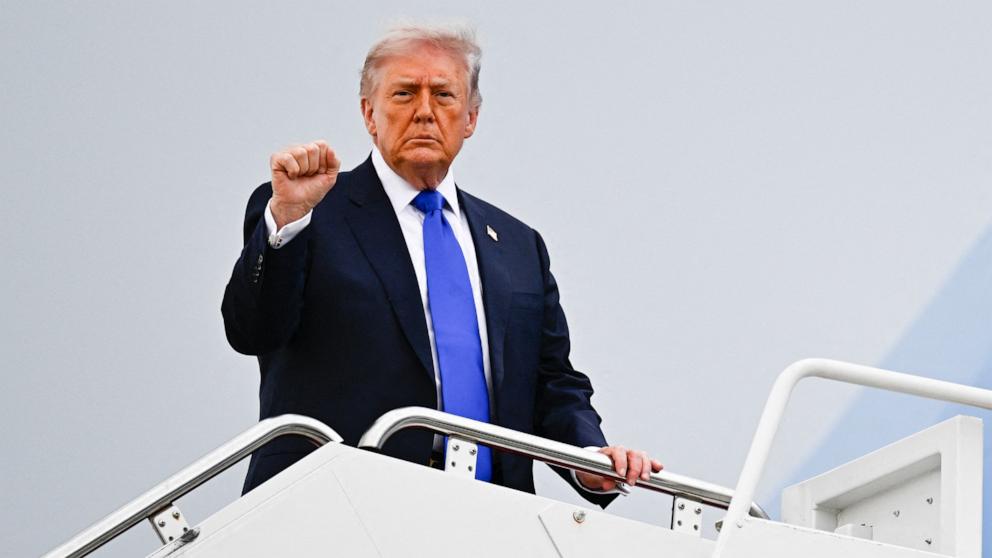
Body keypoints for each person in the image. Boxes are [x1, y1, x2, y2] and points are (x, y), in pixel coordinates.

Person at [221, 23, 661, 506]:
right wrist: (286, 219)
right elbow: (252, 330)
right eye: (405, 93)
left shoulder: (517, 244)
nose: (425, 112)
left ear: (470, 117)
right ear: (369, 113)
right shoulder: (311, 211)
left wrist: (589, 457)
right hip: (339, 506)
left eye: (444, 95)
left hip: (491, 514)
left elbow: (550, 382)